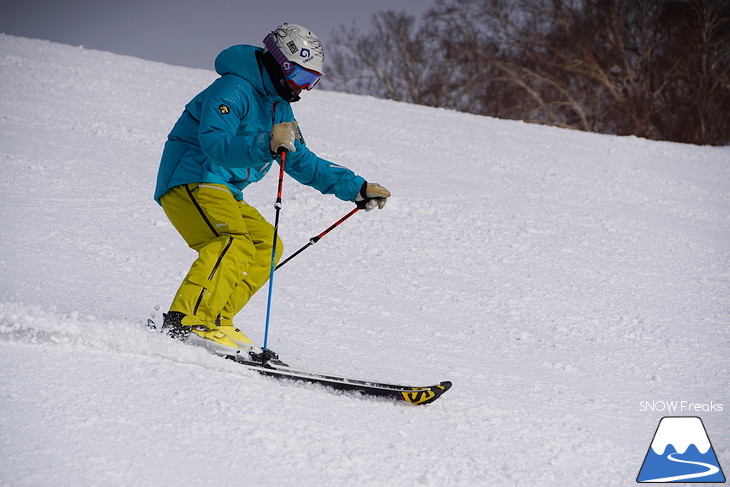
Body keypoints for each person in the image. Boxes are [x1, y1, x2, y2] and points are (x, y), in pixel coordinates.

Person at [154, 23, 390, 361]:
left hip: (222, 189)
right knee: (233, 241)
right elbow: (215, 145)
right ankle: (186, 321)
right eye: (301, 77)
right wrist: (266, 142)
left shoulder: (281, 108)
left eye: (313, 82)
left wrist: (357, 188)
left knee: (267, 243)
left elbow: (303, 162)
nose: (304, 88)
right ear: (282, 64)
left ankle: (216, 319)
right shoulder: (233, 89)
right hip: (192, 178)